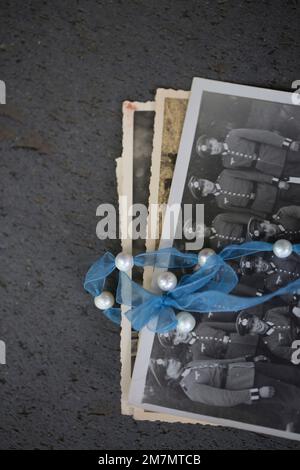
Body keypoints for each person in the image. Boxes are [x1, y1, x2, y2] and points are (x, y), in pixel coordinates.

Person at [158, 356, 300, 412]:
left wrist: (247, 359)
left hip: (249, 367)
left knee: (291, 373)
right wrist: (257, 393)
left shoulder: (190, 364)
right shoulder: (191, 389)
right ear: (168, 376)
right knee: (291, 395)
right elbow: (224, 398)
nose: (171, 360)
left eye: (168, 359)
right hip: (248, 384)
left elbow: (222, 363)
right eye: (167, 364)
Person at [188, 170, 300, 217]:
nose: (206, 184)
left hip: (269, 189)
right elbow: (245, 212)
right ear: (204, 194)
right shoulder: (221, 203)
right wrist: (266, 216)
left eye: (203, 182)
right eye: (203, 188)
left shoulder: (225, 174)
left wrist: (274, 181)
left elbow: (252, 175)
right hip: (267, 207)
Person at [196, 129, 300, 178]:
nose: (214, 149)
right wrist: (273, 178)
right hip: (274, 169)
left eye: (211, 145)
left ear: (214, 139)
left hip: (279, 152)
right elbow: (251, 173)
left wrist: (286, 143)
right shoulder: (227, 164)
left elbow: (262, 135)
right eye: (210, 151)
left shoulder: (234, 135)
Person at [236, 306, 300, 365]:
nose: (256, 325)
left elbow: (291, 309)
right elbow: (294, 354)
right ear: (252, 333)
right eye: (252, 327)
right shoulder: (273, 346)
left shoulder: (271, 313)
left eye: (253, 321)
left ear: (256, 317)